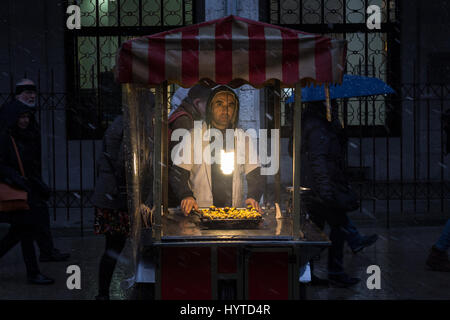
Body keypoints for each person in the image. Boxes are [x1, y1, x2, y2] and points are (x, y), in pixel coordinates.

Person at [92, 90, 155, 300]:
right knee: (115, 247)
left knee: (114, 247)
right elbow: (124, 164)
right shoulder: (130, 125)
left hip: (115, 196)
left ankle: (104, 293)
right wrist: (134, 194)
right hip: (117, 199)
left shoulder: (127, 122)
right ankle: (104, 293)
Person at [295, 100, 365, 287]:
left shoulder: (308, 123)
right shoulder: (318, 126)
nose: (333, 107)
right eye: (331, 104)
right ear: (323, 105)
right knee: (338, 228)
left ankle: (305, 273)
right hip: (323, 189)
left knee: (314, 233)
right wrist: (326, 191)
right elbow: (319, 160)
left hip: (314, 187)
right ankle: (334, 271)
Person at [2, 79, 70, 262]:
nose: (32, 95)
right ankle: (42, 258)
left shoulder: (24, 113)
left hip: (28, 177)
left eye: (33, 92)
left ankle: (46, 252)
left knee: (34, 218)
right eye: (27, 92)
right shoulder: (11, 115)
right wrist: (18, 177)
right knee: (25, 224)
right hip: (20, 179)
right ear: (18, 95)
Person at [169, 85, 264, 214]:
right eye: (219, 104)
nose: (225, 110)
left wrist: (253, 196)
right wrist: (186, 195)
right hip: (200, 212)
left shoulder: (244, 138)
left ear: (235, 109)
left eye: (230, 105)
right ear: (210, 107)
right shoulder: (193, 137)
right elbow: (178, 174)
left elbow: (255, 174)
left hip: (233, 212)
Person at [0, 99, 54, 284]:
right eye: (20, 117)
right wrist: (16, 178)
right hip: (15, 191)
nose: (24, 121)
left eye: (26, 117)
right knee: (24, 233)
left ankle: (33, 272)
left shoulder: (23, 136)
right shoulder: (7, 138)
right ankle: (33, 273)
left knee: (19, 233)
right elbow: (4, 166)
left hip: (23, 191)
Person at [168, 84, 212, 207]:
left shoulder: (185, 115)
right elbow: (179, 160)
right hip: (172, 189)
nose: (211, 110)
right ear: (197, 103)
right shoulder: (184, 121)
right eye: (209, 105)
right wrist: (185, 193)